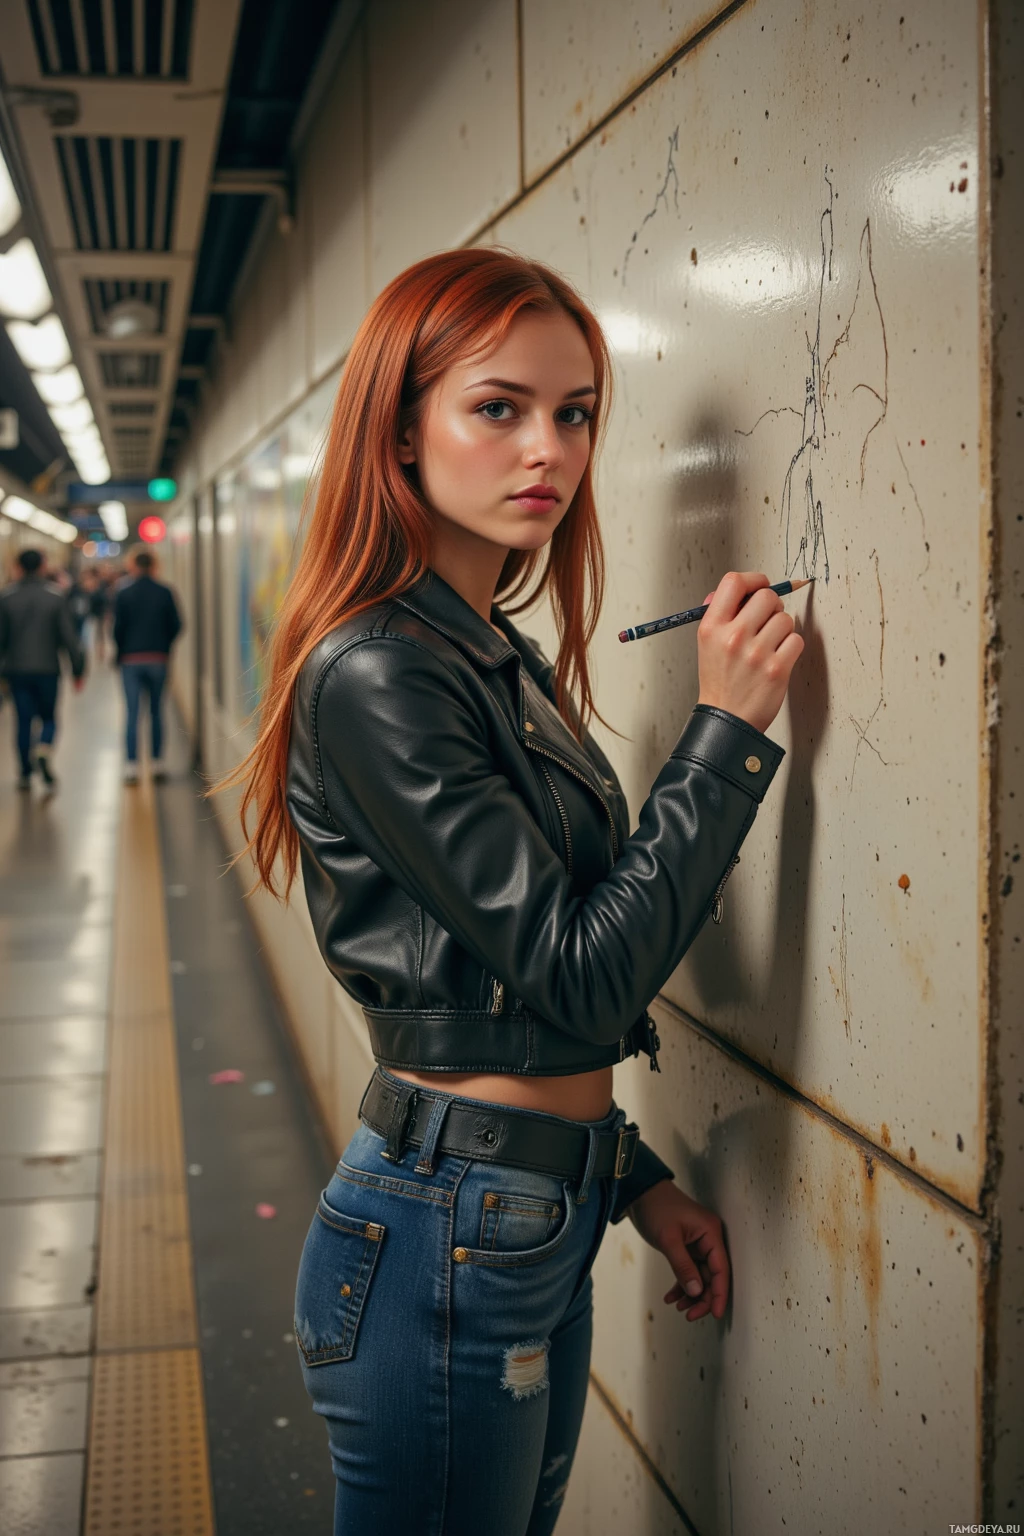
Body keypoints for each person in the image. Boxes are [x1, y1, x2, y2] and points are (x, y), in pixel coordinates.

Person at [228, 249, 804, 1535]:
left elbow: (502, 988)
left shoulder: (488, 652)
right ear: (401, 427)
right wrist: (727, 733)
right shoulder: (380, 672)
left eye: (575, 410)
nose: (547, 446)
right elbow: (583, 970)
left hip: (519, 1212)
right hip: (446, 1232)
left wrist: (626, 1174)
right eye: (498, 406)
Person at [0, 547, 85, 790]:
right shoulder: (56, 597)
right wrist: (78, 669)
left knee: (23, 720)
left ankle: (25, 773)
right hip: (48, 670)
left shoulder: (6, 598)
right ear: (42, 566)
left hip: (16, 671)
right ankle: (44, 748)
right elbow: (70, 638)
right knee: (48, 717)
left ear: (18, 566)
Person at [112, 548, 182, 783]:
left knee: (132, 713)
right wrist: (163, 646)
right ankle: (157, 764)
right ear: (154, 566)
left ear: (133, 566)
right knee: (156, 712)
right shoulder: (165, 592)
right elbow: (177, 624)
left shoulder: (123, 592)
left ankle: (131, 766)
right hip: (157, 659)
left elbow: (117, 629)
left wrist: (121, 652)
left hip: (130, 660)